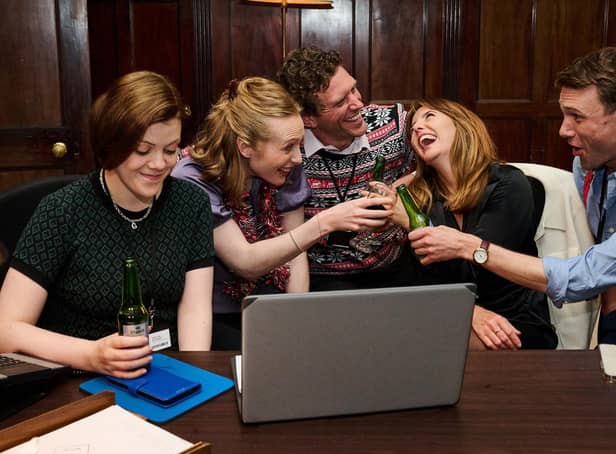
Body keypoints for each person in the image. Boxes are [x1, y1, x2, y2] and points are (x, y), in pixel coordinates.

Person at [0, 71, 215, 377]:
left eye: (170, 150)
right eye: (142, 150)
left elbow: (194, 310)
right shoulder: (62, 211)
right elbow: (6, 329)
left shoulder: (191, 203)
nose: (158, 164)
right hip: (78, 377)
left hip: (165, 371)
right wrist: (91, 355)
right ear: (112, 144)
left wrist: (194, 375)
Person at [407, 47, 616, 344]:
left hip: (514, 321)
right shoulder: (588, 166)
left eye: (577, 117)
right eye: (563, 115)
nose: (563, 130)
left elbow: (580, 277)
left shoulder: (506, 184)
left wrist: (469, 246)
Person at [173, 77, 393, 349]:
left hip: (272, 303)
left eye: (299, 144)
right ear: (245, 147)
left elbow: (295, 254)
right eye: (287, 146)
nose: (298, 158)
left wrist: (294, 317)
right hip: (217, 313)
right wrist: (324, 223)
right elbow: (245, 261)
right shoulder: (195, 178)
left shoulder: (286, 168)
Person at [388, 98, 556, 350]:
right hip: (450, 316)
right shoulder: (420, 199)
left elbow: (482, 272)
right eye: (412, 129)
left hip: (512, 323)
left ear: (463, 125)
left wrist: (413, 224)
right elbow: (415, 281)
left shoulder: (508, 184)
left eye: (429, 117)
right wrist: (469, 313)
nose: (418, 128)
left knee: (421, 344)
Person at [277, 47, 414, 291]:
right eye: (341, 101)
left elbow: (453, 162)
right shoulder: (288, 152)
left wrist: (404, 189)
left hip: (395, 274)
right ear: (308, 118)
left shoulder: (395, 124)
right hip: (318, 282)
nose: (358, 103)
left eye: (353, 88)